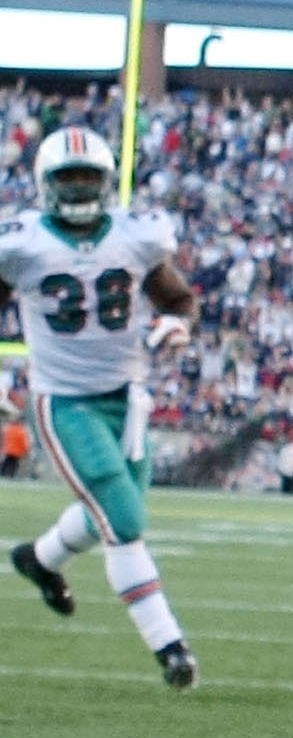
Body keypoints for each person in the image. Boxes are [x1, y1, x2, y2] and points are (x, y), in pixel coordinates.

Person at [1, 127, 203, 688]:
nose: (79, 189)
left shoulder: (135, 237)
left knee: (108, 511)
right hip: (64, 403)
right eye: (68, 179)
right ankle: (170, 647)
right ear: (46, 185)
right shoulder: (21, 244)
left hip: (127, 398)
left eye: (88, 177)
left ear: (109, 182)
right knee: (125, 519)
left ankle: (40, 559)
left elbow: (180, 299)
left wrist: (176, 325)